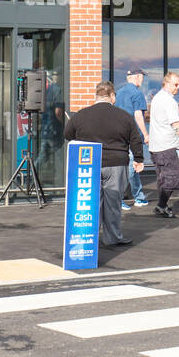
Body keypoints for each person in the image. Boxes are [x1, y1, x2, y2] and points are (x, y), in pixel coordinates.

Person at [64, 81, 143, 247]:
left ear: (95, 96)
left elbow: (68, 134)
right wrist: (138, 159)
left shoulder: (81, 115)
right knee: (113, 202)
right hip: (116, 163)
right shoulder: (124, 116)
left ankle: (88, 236)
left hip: (89, 164)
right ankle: (112, 237)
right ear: (112, 96)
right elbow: (135, 139)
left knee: (91, 202)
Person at [147, 72, 179, 219]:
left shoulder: (157, 98)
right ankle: (161, 205)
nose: (178, 87)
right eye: (176, 84)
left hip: (156, 146)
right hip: (165, 146)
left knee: (163, 178)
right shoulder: (169, 101)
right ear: (166, 83)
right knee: (172, 178)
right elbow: (176, 123)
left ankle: (162, 206)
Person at [114, 68, 151, 208]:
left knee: (132, 165)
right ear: (137, 77)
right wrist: (146, 134)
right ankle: (118, 198)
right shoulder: (137, 93)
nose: (142, 80)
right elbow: (138, 115)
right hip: (132, 136)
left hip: (119, 135)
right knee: (131, 166)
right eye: (142, 78)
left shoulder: (119, 93)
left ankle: (139, 196)